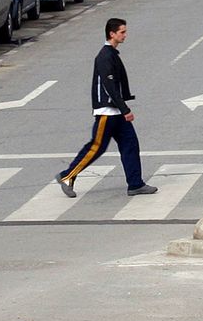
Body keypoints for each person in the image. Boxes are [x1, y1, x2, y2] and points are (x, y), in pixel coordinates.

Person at [56, 17, 158, 199]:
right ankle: (67, 176)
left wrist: (122, 109)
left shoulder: (111, 54)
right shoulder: (105, 56)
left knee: (130, 144)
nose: (125, 35)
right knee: (96, 147)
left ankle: (135, 184)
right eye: (122, 32)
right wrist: (125, 109)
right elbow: (109, 86)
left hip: (115, 111)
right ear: (112, 34)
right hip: (107, 112)